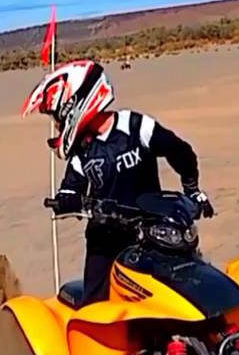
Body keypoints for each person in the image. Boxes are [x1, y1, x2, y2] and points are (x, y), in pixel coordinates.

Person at [21, 60, 215, 306]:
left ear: (74, 104)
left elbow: (179, 151)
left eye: (57, 116)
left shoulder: (135, 126)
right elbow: (71, 186)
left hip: (151, 230)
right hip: (106, 238)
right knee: (96, 307)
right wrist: (67, 199)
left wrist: (193, 191)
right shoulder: (83, 151)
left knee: (190, 278)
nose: (58, 125)